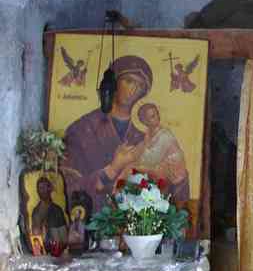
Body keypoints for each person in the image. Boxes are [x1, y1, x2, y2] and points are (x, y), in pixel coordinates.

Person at [62, 55, 155, 213]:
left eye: (140, 86)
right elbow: (68, 185)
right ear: (114, 83)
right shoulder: (81, 129)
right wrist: (112, 169)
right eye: (129, 81)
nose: (133, 90)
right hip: (90, 220)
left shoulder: (142, 136)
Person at [130, 102, 190, 204]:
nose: (156, 118)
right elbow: (144, 150)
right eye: (151, 117)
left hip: (175, 177)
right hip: (162, 173)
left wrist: (137, 165)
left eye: (156, 114)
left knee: (136, 171)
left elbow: (152, 159)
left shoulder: (165, 136)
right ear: (143, 121)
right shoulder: (149, 134)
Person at [31, 175, 68, 246]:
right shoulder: (36, 211)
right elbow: (36, 236)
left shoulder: (57, 209)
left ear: (50, 189)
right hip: (45, 248)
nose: (41, 191)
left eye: (43, 188)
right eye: (39, 188)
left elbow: (64, 237)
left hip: (58, 248)